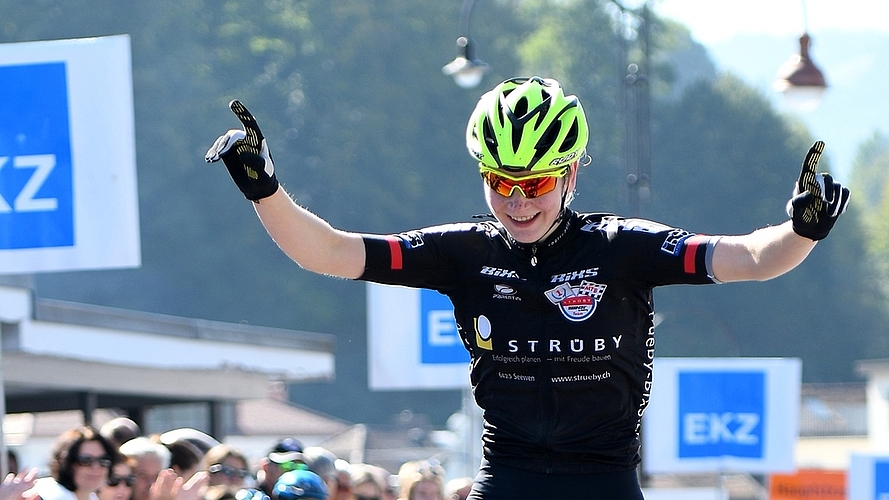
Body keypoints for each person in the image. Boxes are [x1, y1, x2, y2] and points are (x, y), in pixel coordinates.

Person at [205, 76, 851, 499]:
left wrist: (799, 232)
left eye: (535, 184)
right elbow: (331, 253)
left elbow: (745, 259)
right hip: (506, 477)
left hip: (604, 480)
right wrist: (264, 189)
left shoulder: (619, 246)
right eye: (501, 182)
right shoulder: (462, 252)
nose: (517, 202)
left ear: (570, 175)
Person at [30, 427, 117, 500]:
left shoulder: (92, 497)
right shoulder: (44, 495)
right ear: (65, 463)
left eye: (103, 460)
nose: (96, 467)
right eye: (86, 460)